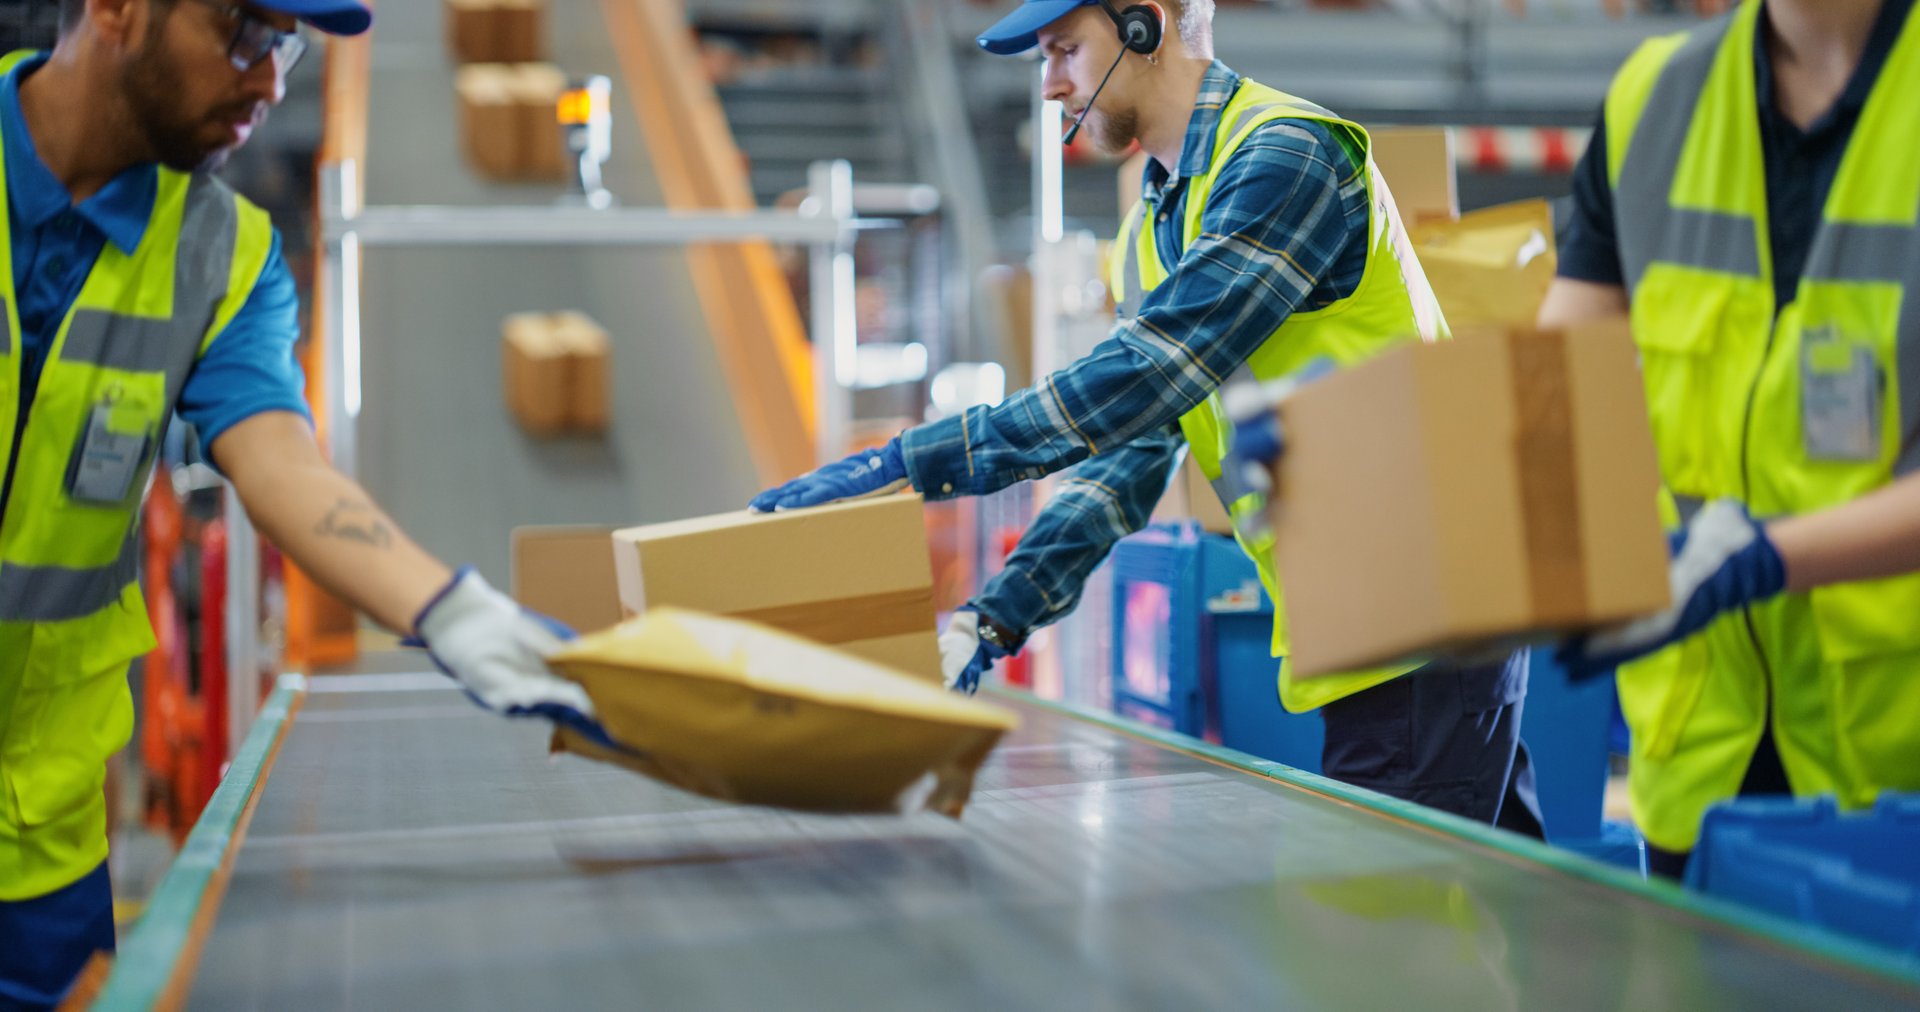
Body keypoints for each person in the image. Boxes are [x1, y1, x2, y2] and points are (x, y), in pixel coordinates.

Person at [754, 0, 1544, 839]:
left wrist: (909, 463)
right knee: (1497, 893)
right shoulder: (1150, 232)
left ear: (1145, 25)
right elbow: (1127, 455)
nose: (1051, 85)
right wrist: (993, 618)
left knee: (1399, 924)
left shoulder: (1286, 155)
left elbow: (1150, 371)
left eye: (1064, 52)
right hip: (1368, 609)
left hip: (1426, 600)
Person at [0, 1, 597, 1004]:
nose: (270, 81)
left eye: (284, 43)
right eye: (241, 30)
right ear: (115, 9)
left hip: (39, 852)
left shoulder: (220, 258)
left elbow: (285, 469)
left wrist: (460, 617)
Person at [1541, 0, 1920, 877]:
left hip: (1897, 772)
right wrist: (1359, 446)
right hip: (1705, 764)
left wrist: (1761, 557)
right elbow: (1548, 392)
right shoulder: (1656, 99)